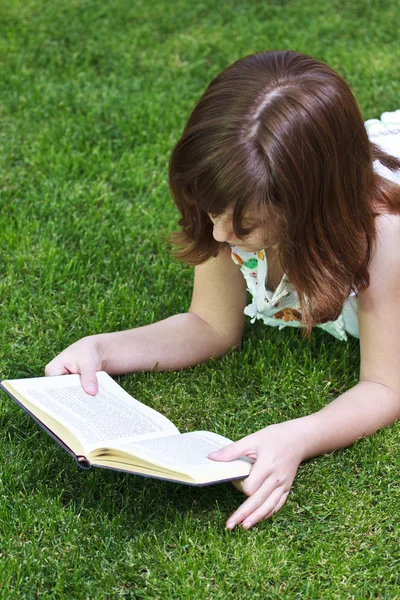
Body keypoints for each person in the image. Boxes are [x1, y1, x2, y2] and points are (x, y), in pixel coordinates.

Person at [45, 50, 400, 529]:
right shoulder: (233, 194)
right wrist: (102, 350)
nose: (216, 237)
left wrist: (298, 436)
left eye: (244, 227)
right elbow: (211, 324)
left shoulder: (380, 243)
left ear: (308, 208)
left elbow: (384, 385)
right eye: (210, 213)